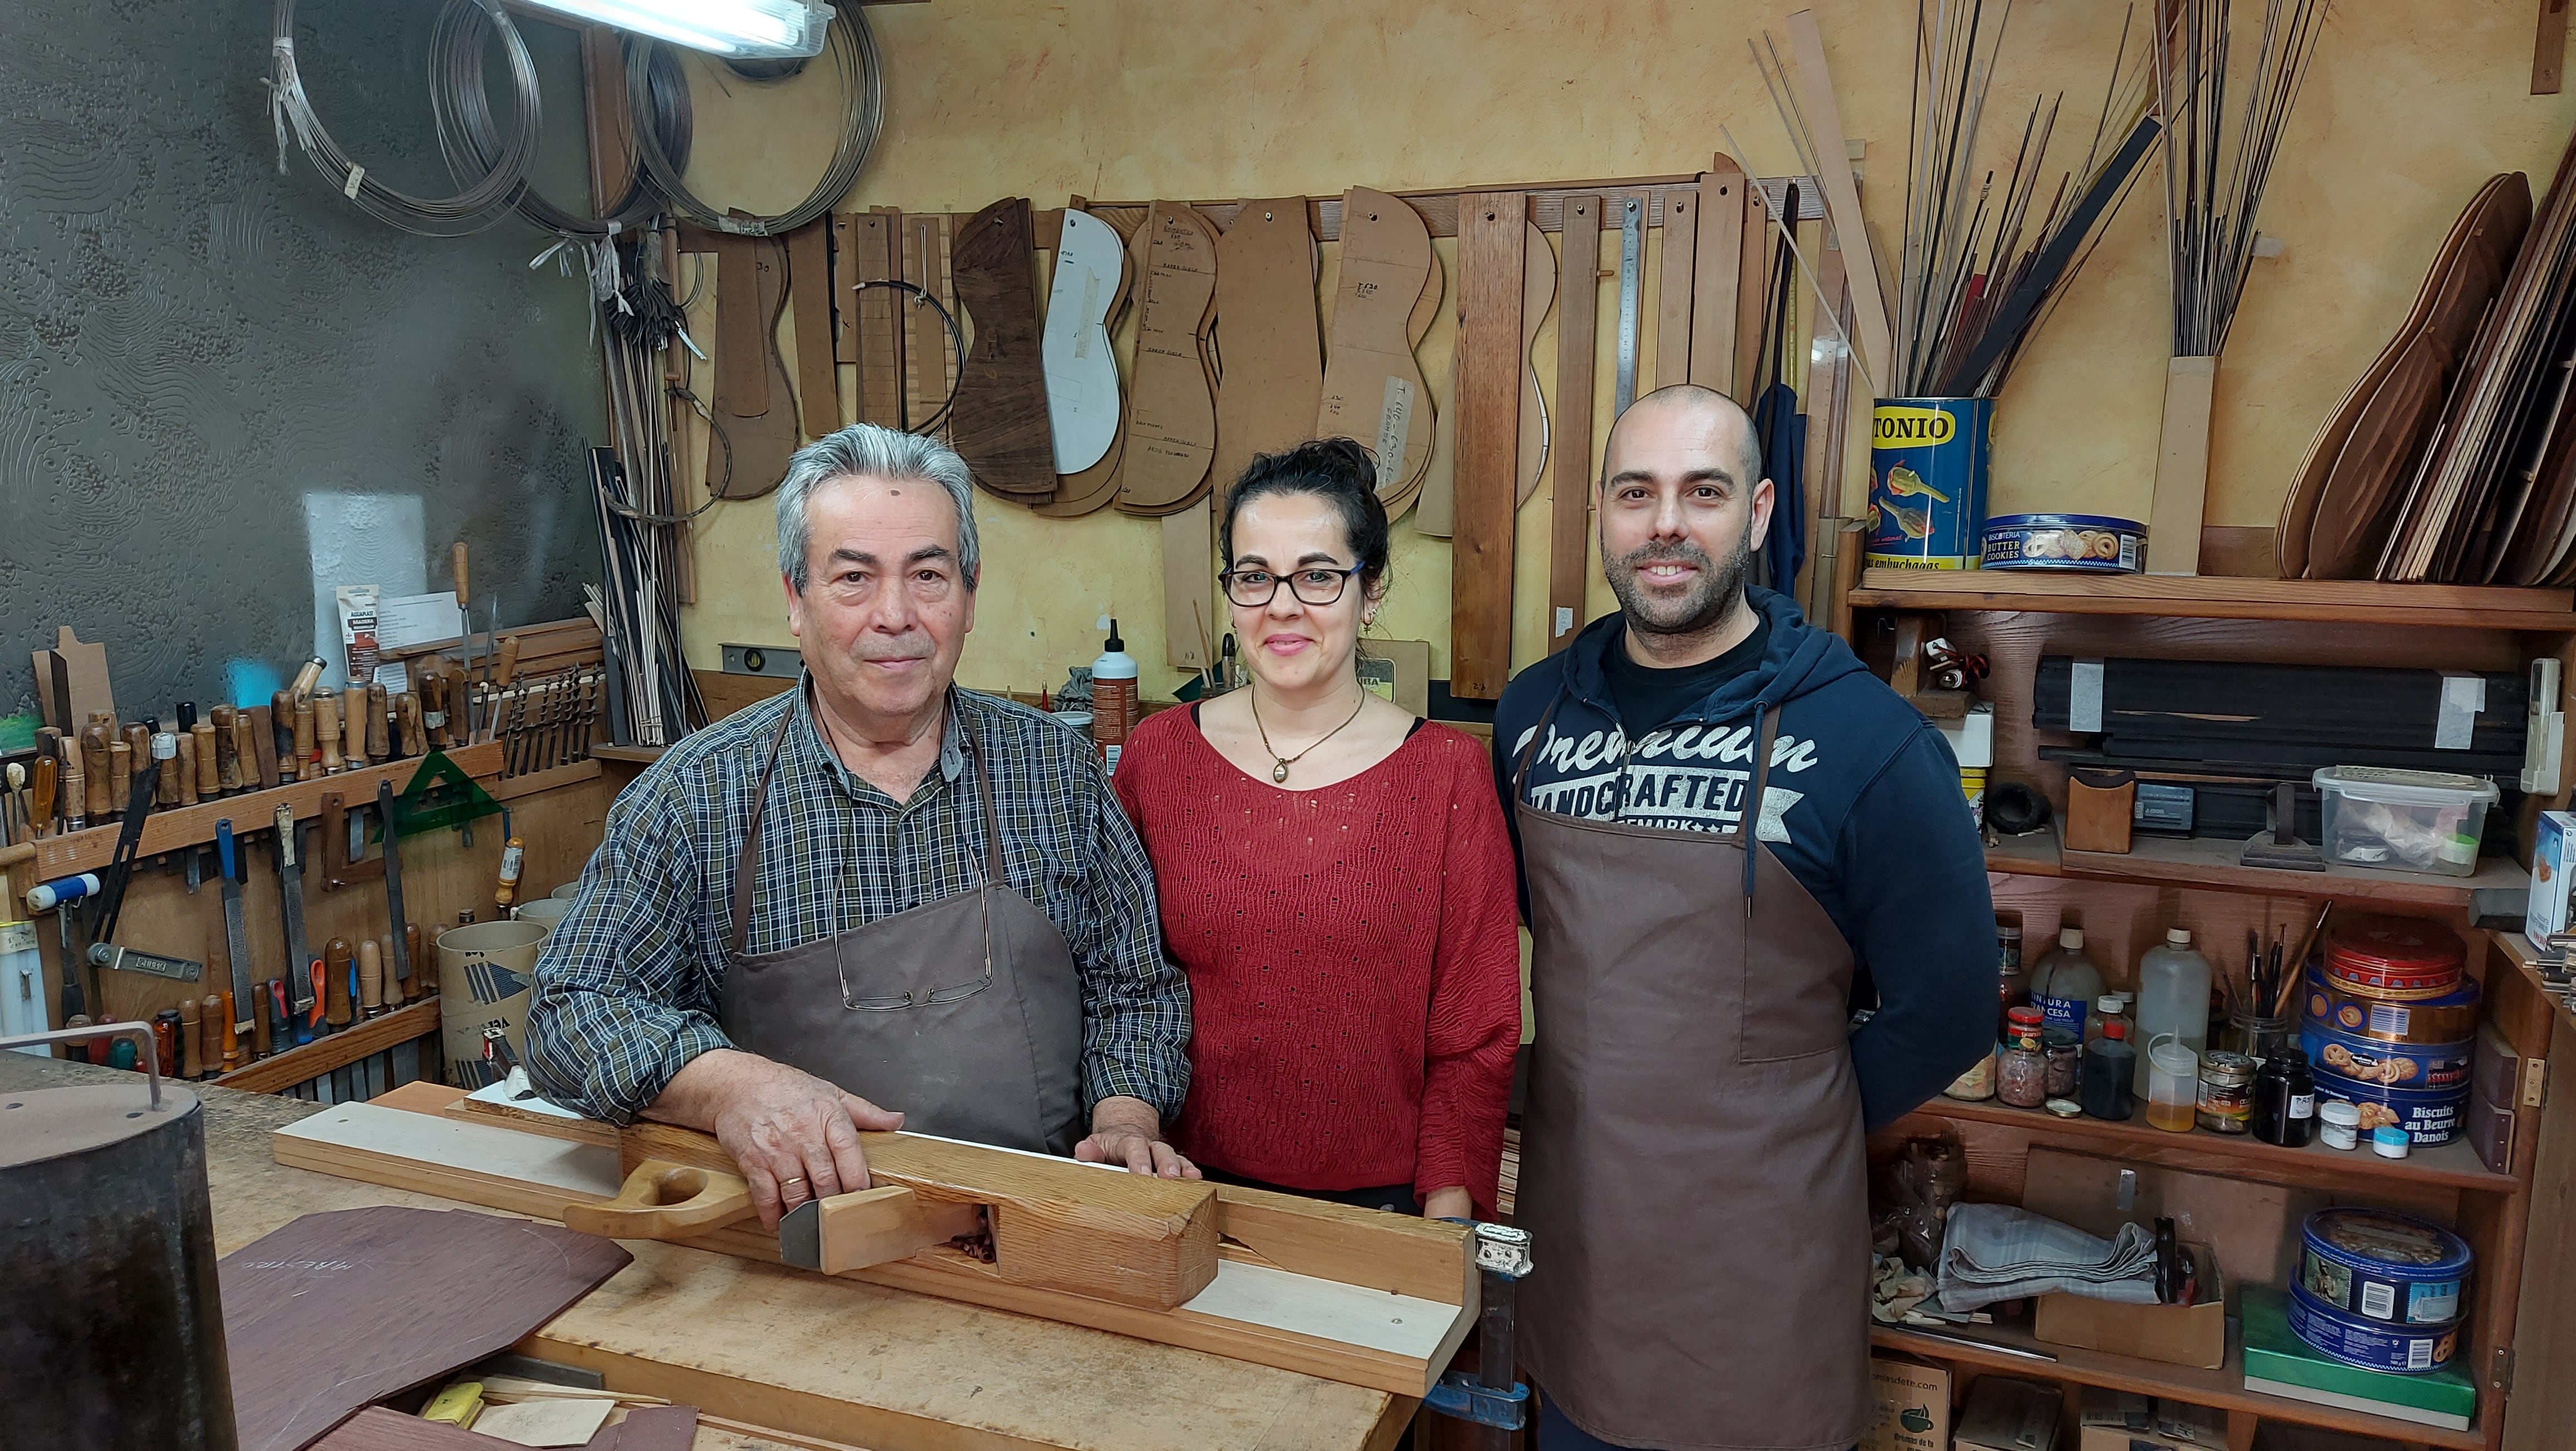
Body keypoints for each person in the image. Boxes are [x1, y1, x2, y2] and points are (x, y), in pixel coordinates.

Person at [526, 423, 1194, 1231]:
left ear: (971, 595)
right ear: (794, 600)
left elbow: (1136, 988)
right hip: (797, 1250)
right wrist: (735, 1086)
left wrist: (1126, 1120)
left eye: (928, 574)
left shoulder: (1058, 771)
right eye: (854, 578)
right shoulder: (694, 798)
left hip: (1037, 1238)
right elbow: (569, 1010)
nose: (896, 615)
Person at [1491, 385, 1995, 1450]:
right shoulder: (1533, 715)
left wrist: (1779, 1115)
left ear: (1758, 515)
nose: (1665, 523)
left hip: (1760, 1273)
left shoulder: (1872, 743)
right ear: (1602, 516)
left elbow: (1949, 1011)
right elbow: (1542, 926)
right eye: (1638, 493)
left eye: (1703, 492)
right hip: (1580, 1245)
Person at [1109, 440, 1521, 1219]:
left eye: (1319, 575)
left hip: (1381, 1207)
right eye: (1255, 576)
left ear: (1370, 592)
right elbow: (1115, 977)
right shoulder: (1159, 756)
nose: (1284, 605)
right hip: (1179, 1192)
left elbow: (1477, 1033)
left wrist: (1447, 1221)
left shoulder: (1446, 776)